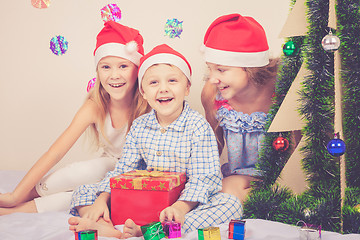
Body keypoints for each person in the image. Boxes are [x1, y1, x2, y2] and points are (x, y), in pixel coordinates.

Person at [68, 44, 242, 238]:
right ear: (143, 92)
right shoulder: (139, 126)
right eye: (153, 83)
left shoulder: (197, 127)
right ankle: (101, 221)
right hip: (145, 199)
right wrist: (102, 199)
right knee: (83, 191)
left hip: (183, 201)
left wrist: (181, 208)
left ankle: (157, 229)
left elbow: (205, 178)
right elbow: (124, 169)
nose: (163, 89)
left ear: (187, 88)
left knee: (231, 204)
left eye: (172, 81)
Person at [0, 21, 150, 215]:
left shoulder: (148, 105)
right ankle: (14, 205)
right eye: (106, 67)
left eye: (123, 66)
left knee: (86, 185)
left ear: (137, 70)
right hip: (107, 170)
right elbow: (54, 153)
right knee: (84, 177)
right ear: (98, 71)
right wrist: (16, 195)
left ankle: (11, 210)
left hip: (136, 176)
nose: (114, 75)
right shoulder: (95, 106)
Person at [201, 14, 280, 203]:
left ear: (249, 66)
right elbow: (213, 146)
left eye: (221, 70)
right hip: (238, 178)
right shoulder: (212, 94)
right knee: (224, 190)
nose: (212, 78)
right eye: (210, 69)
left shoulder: (282, 91)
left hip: (280, 179)